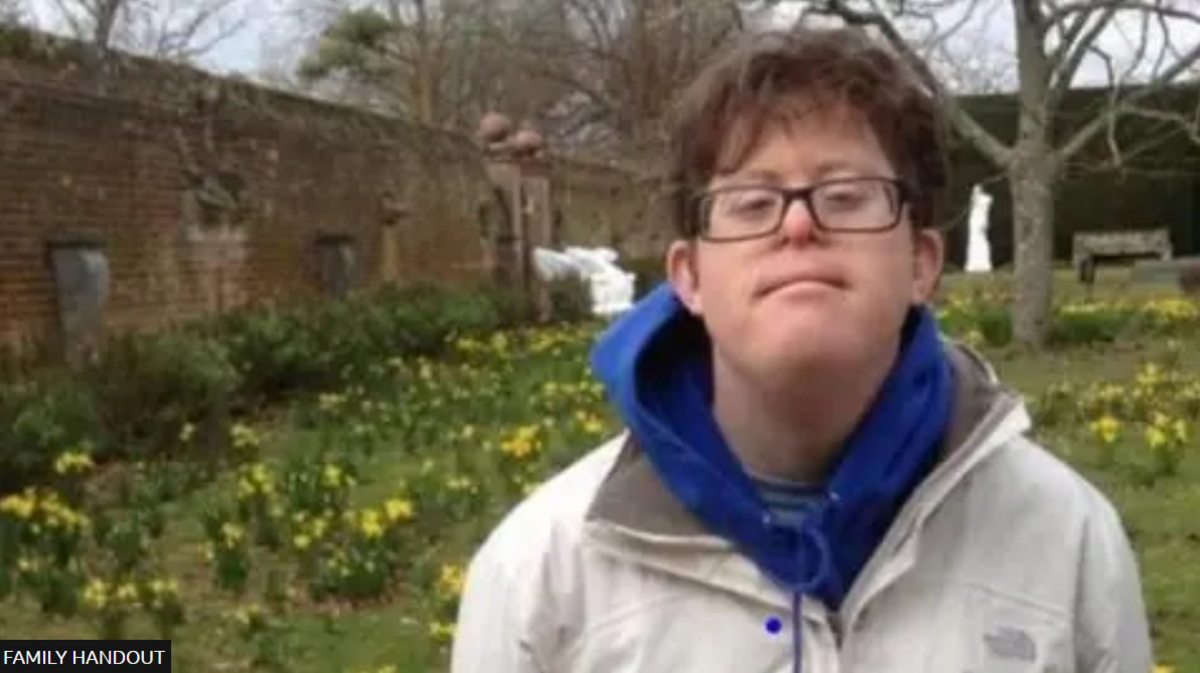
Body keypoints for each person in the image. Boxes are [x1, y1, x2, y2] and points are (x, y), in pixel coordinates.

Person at [450, 27, 1153, 673]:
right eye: (752, 202)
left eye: (846, 195)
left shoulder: (1066, 541)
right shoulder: (542, 576)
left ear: (922, 262)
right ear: (688, 276)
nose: (796, 225)